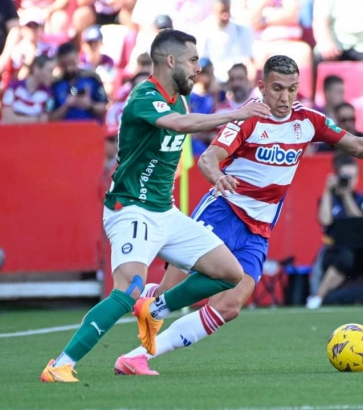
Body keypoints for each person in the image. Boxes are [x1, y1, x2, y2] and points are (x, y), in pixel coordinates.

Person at [113, 55, 363, 375]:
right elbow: (208, 158)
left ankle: (138, 356)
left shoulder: (308, 121)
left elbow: (357, 146)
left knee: (230, 306)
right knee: (172, 292)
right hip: (223, 211)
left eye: (291, 89)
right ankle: (155, 297)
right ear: (262, 87)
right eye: (277, 89)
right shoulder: (248, 119)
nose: (285, 97)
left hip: (258, 229)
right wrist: (217, 175)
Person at [40, 29, 272, 383]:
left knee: (229, 273)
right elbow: (179, 125)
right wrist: (234, 115)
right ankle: (61, 364)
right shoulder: (145, 96)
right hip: (131, 210)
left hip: (164, 212)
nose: (198, 69)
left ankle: (155, 307)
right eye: (193, 60)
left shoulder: (180, 99)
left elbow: (183, 119)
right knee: (128, 287)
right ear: (170, 60)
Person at [306, 154, 363, 309]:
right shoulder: (329, 198)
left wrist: (347, 197)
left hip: (361, 248)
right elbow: (325, 220)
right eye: (346, 177)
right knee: (345, 256)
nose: (350, 181)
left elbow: (361, 221)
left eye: (353, 177)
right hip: (335, 249)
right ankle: (318, 297)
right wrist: (328, 191)